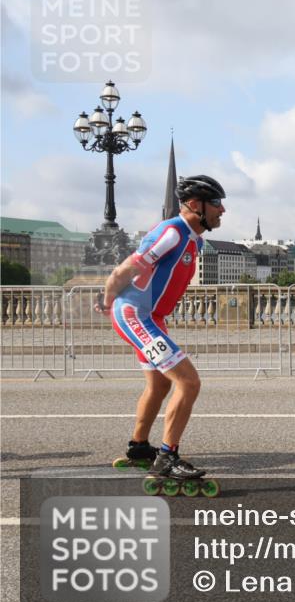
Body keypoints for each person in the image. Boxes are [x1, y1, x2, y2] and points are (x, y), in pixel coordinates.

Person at [97, 175, 226, 480]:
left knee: (160, 384)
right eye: (217, 203)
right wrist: (107, 300)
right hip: (137, 315)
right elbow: (125, 269)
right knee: (189, 383)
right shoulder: (173, 232)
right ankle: (167, 457)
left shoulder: (192, 237)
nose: (222, 211)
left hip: (150, 317)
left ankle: (140, 447)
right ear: (195, 205)